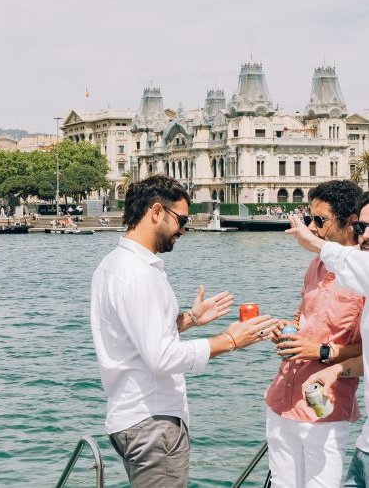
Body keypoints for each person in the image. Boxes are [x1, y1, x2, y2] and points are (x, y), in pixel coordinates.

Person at [90, 174, 278, 487]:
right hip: (152, 422)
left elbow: (135, 333)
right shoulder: (140, 275)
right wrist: (230, 340)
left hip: (129, 416)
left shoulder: (112, 265)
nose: (184, 229)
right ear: (156, 212)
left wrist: (189, 319)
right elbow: (161, 358)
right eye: (181, 219)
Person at [265, 180, 364, 487]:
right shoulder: (316, 265)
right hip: (282, 397)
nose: (313, 228)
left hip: (325, 407)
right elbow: (303, 315)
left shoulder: (364, 275)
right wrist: (285, 329)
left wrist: (320, 350)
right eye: (310, 219)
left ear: (350, 222)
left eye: (320, 221)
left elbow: (367, 352)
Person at [293, 191, 369, 487]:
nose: (364, 236)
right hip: (365, 447)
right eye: (361, 228)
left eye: (320, 220)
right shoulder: (341, 271)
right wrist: (336, 369)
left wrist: (324, 352)